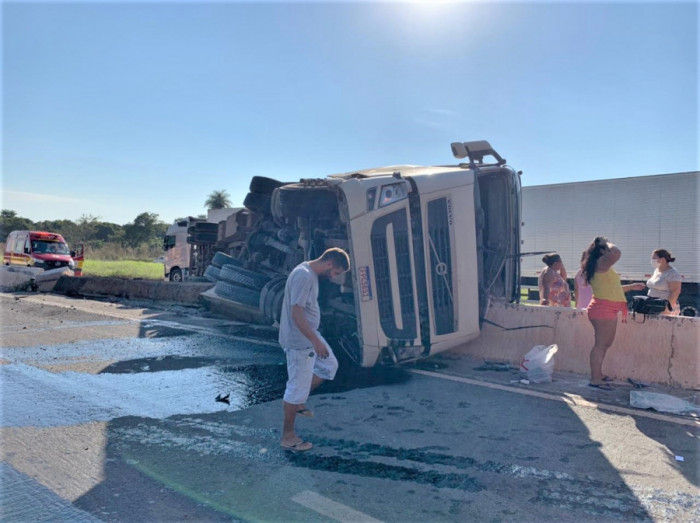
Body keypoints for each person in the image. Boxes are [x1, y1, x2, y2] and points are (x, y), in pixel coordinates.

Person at [279, 247, 350, 451]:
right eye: (335, 272)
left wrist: (315, 338)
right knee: (295, 388)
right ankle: (288, 436)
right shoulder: (304, 276)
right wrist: (315, 341)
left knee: (329, 366)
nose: (334, 276)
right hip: (299, 341)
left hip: (308, 336)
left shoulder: (307, 271)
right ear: (329, 263)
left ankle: (299, 401)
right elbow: (297, 314)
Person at [583, 237, 644, 390]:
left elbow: (612, 289)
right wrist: (606, 242)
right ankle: (595, 379)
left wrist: (631, 287)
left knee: (604, 344)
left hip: (606, 308)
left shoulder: (601, 266)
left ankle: (598, 374)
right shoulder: (600, 263)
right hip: (602, 309)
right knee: (601, 345)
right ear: (602, 251)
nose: (610, 251)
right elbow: (617, 252)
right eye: (606, 249)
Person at [646, 249, 681, 316]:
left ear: (662, 259)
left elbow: (675, 291)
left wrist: (667, 308)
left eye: (654, 258)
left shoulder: (672, 273)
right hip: (652, 305)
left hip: (663, 307)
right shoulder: (656, 271)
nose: (652, 261)